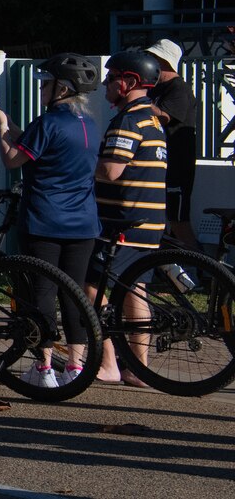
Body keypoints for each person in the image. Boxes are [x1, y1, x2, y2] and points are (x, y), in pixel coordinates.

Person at [0, 52, 101, 388]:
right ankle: (76, 365)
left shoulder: (48, 122)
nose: (41, 90)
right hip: (83, 223)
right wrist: (11, 127)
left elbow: (13, 160)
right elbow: (38, 144)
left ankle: (44, 365)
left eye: (46, 85)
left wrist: (1, 128)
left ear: (62, 88)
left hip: (44, 220)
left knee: (42, 291)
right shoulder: (89, 126)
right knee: (74, 293)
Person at [91, 48, 168, 387]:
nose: (106, 85)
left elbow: (110, 170)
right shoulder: (152, 119)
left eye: (111, 79)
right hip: (149, 220)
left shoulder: (128, 120)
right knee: (135, 289)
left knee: (91, 286)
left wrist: (79, 170)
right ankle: (138, 367)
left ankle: (108, 363)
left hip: (122, 221)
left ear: (128, 82)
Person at [142, 38, 200, 249]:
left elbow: (165, 116)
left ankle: (200, 271)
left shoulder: (179, 89)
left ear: (164, 61)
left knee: (178, 221)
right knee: (160, 221)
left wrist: (138, 99)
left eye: (153, 58)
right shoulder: (154, 89)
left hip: (177, 166)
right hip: (158, 165)